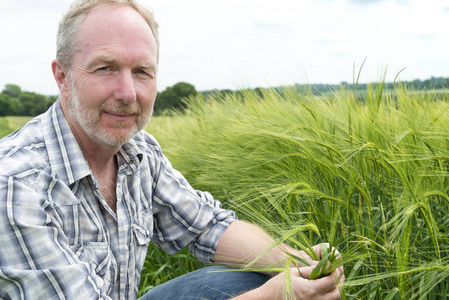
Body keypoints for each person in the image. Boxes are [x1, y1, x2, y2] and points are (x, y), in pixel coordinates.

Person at [0, 0, 344, 299]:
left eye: (142, 72)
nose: (128, 93)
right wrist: (272, 296)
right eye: (106, 68)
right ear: (62, 77)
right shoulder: (15, 185)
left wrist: (298, 264)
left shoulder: (140, 153)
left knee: (251, 275)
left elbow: (207, 226)